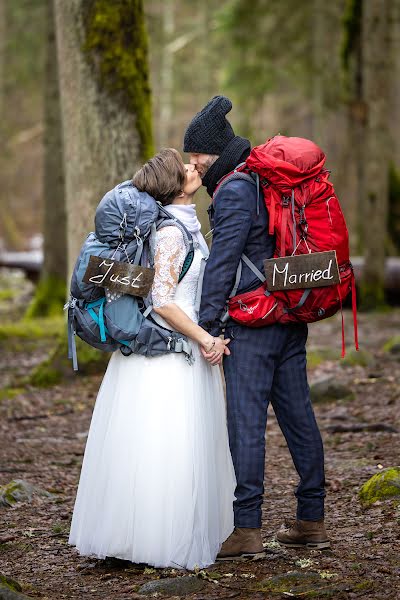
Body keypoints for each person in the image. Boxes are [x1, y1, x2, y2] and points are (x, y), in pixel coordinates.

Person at [68, 148, 236, 570]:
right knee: (164, 441)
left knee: (165, 441)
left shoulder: (187, 227)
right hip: (168, 352)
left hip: (180, 345)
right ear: (173, 187)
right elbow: (162, 300)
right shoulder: (171, 234)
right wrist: (204, 339)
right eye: (184, 168)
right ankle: (153, 538)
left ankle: (165, 531)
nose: (192, 168)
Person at [183, 96, 329, 559]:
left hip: (253, 322)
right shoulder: (262, 177)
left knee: (246, 423)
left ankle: (246, 528)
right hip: (287, 314)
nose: (194, 165)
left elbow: (223, 263)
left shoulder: (233, 188)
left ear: (213, 151)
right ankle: (312, 518)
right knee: (298, 415)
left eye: (196, 156)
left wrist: (207, 326)